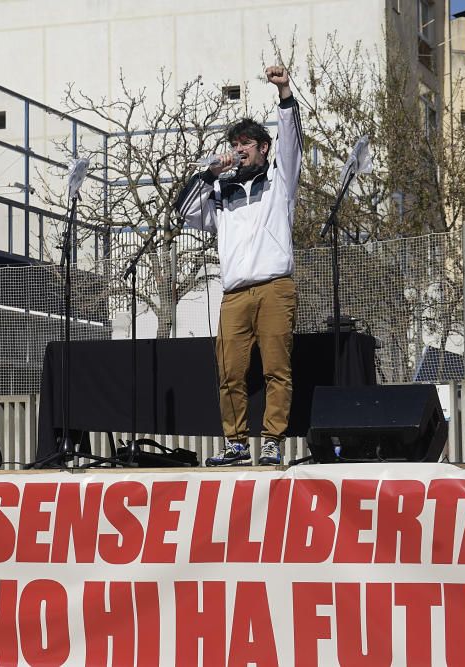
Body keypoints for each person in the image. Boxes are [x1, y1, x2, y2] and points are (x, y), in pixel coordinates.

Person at [175, 65, 301, 466]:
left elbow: (292, 140)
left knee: (276, 369)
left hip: (274, 286)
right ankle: (236, 443)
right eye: (235, 144)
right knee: (229, 371)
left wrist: (284, 92)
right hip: (234, 293)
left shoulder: (281, 178)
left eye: (247, 143)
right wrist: (210, 172)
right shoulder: (220, 192)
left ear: (264, 147)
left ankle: (272, 442)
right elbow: (184, 212)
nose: (239, 149)